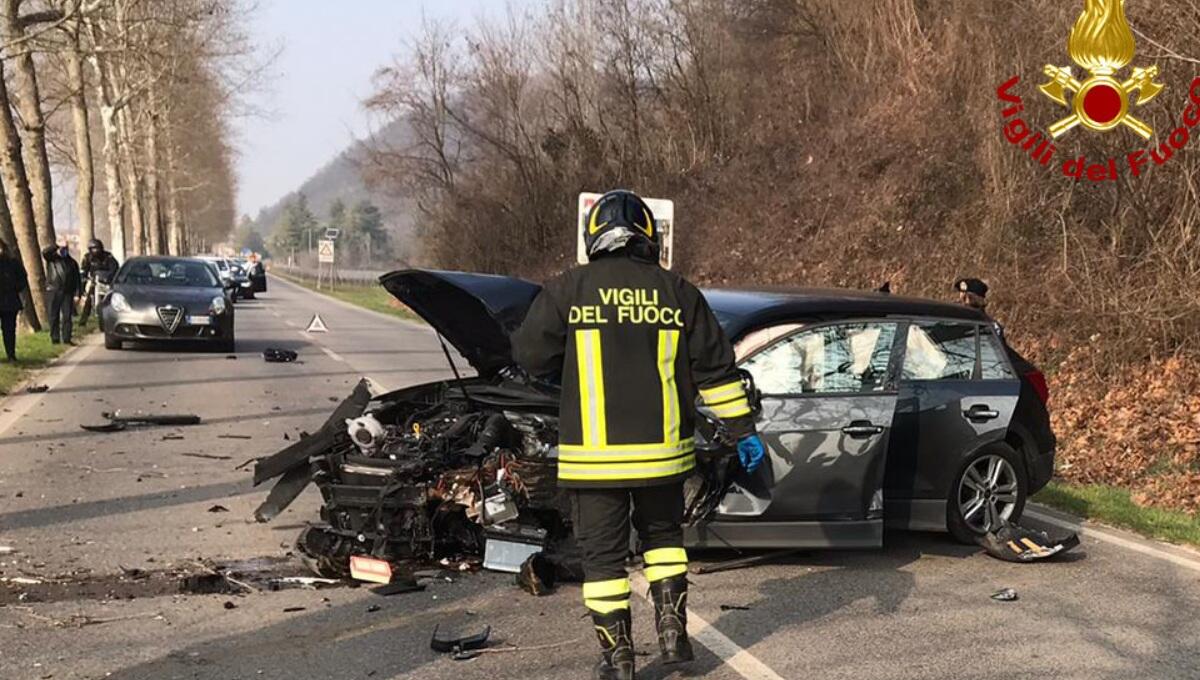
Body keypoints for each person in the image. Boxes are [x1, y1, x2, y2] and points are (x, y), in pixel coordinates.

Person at [513, 190, 765, 680]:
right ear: (650, 237)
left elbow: (528, 359)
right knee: (664, 540)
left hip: (594, 461)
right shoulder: (678, 292)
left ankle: (619, 658)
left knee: (603, 559)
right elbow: (716, 370)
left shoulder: (568, 290)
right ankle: (673, 635)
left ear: (594, 237)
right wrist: (742, 432)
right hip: (664, 457)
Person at [43, 242, 81, 345]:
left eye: (65, 249)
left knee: (67, 316)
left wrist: (77, 294)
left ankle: (67, 338)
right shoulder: (52, 259)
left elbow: (77, 280)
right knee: (53, 316)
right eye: (62, 249)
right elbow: (45, 252)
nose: (63, 251)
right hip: (53, 290)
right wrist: (56, 245)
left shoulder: (72, 263)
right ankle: (55, 338)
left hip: (67, 292)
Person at [79, 239, 118, 325]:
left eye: (97, 248)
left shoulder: (108, 256)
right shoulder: (87, 258)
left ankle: (112, 317)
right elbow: (83, 271)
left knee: (111, 299)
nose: (96, 250)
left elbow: (115, 268)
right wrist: (83, 282)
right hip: (95, 282)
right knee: (88, 299)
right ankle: (83, 320)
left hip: (107, 282)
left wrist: (109, 277)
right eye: (93, 248)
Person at [0, 239, 28, 361]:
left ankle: (11, 354)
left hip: (9, 301)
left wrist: (14, 287)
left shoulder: (13, 263)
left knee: (9, 330)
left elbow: (23, 279)